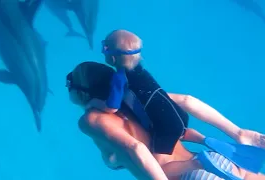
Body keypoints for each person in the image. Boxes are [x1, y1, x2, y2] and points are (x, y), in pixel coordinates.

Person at [66, 61, 265, 180]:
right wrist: (238, 132)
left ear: (81, 93)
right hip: (219, 160)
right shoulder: (134, 99)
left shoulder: (90, 120)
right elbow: (188, 101)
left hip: (189, 175)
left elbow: (137, 149)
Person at [86, 29, 265, 154]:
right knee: (181, 131)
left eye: (105, 48)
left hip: (162, 127)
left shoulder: (120, 77)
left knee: (155, 154)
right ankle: (207, 140)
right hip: (178, 116)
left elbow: (111, 108)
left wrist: (94, 102)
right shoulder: (140, 67)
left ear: (112, 57)